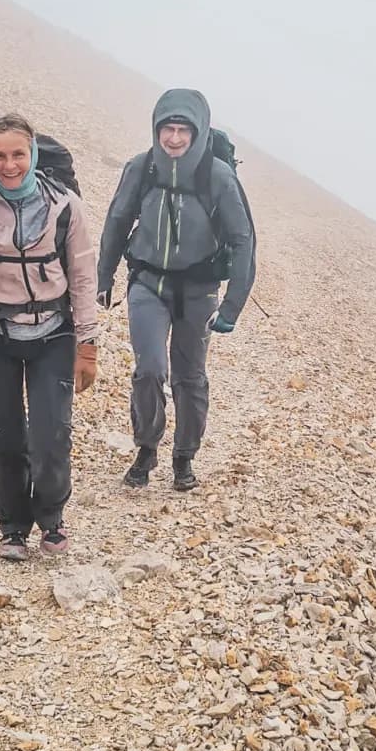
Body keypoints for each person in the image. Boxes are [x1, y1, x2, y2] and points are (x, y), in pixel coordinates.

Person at [0, 113, 99, 559]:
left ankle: (51, 520)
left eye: (18, 155)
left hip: (54, 335)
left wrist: (88, 344)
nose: (9, 165)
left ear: (33, 154)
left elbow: (84, 278)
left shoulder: (66, 207)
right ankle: (12, 529)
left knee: (51, 436)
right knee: (3, 437)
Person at [97, 88, 255, 492]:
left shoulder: (218, 175)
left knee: (190, 376)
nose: (174, 138)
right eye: (167, 127)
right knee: (149, 369)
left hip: (198, 290)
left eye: (184, 129)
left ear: (199, 132)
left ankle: (184, 456)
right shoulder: (141, 167)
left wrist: (233, 304)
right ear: (156, 128)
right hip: (148, 283)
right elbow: (117, 221)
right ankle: (146, 447)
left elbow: (242, 241)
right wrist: (104, 277)